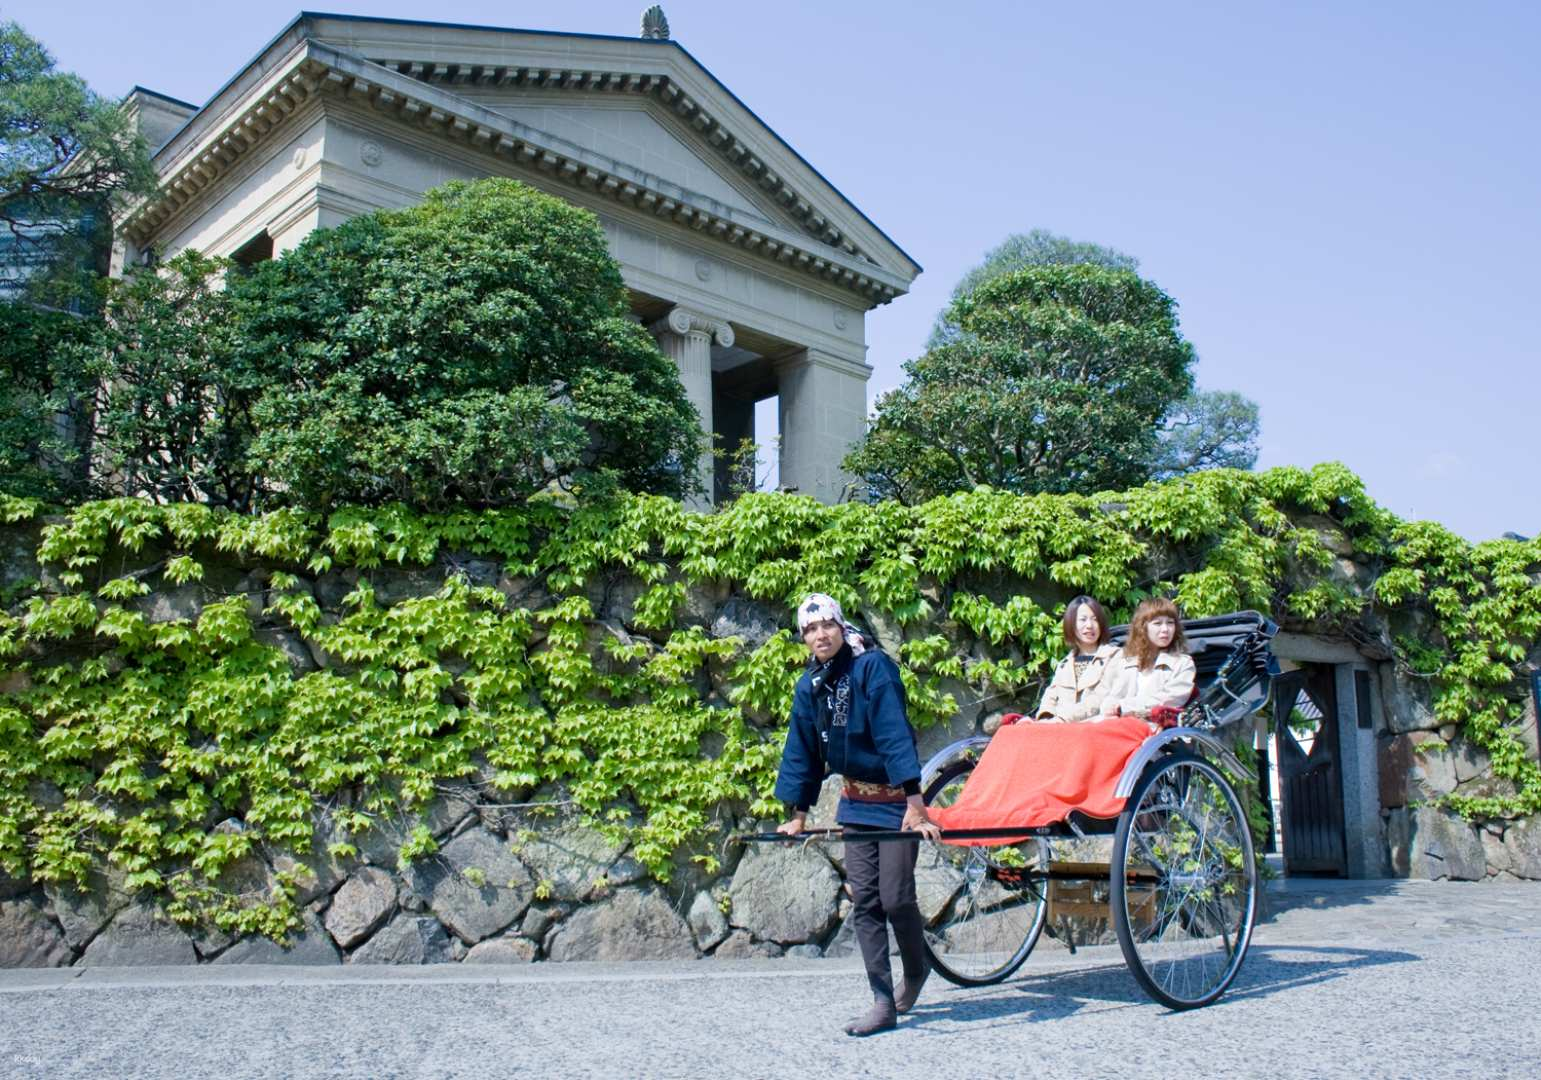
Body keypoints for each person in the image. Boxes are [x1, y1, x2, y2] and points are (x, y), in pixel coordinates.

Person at [774, 593, 940, 1037]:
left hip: (895, 802)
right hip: (855, 803)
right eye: (809, 629)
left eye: (825, 625)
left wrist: (914, 801)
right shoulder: (811, 684)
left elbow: (893, 732)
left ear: (839, 626)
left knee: (896, 897)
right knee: (865, 900)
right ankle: (882, 1001)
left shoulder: (872, 667)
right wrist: (798, 813)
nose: (819, 635)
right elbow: (802, 750)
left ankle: (917, 970)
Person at [984, 595, 1121, 734]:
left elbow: (1099, 699)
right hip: (1058, 730)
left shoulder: (1114, 656)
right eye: (1083, 620)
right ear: (1071, 625)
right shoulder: (1065, 664)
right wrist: (1044, 718)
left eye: (1095, 619)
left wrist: (1061, 719)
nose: (1089, 625)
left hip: (1092, 730)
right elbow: (1051, 696)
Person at [1100, 597, 1196, 723]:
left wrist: (1124, 706)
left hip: (1152, 727)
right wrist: (1109, 706)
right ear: (1143, 627)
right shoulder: (1126, 662)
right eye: (1157, 623)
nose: (1165, 629)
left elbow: (1169, 699)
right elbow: (1112, 694)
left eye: (1170, 623)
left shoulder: (1183, 663)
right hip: (1117, 722)